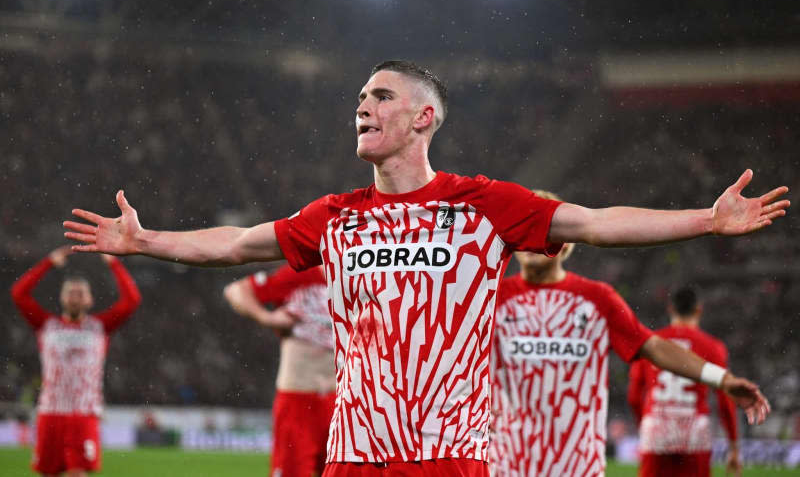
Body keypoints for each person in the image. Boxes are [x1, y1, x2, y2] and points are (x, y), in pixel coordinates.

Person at [63, 60, 788, 476]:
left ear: (423, 118)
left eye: (380, 95)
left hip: (448, 456)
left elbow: (595, 224)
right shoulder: (334, 215)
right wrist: (147, 240)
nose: (362, 105)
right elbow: (233, 245)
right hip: (353, 454)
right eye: (358, 98)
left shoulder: (485, 205)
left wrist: (705, 218)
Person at [488, 191, 767, 477]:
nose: (531, 238)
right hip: (507, 463)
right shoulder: (490, 297)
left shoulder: (597, 298)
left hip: (577, 466)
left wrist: (722, 379)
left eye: (542, 227)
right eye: (524, 227)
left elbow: (653, 346)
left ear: (564, 242)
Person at [10, 246, 142, 477]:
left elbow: (132, 300)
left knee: (77, 473)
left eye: (81, 293)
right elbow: (19, 293)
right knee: (48, 473)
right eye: (70, 292)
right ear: (61, 297)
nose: (75, 297)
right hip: (50, 412)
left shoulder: (101, 326)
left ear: (90, 300)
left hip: (84, 412)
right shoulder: (45, 324)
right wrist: (48, 262)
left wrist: (113, 263)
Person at [223, 264, 335, 477]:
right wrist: (268, 318)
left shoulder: (358, 277)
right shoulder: (299, 275)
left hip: (342, 401)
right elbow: (236, 290)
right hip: (299, 399)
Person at [628, 287, 744, 477]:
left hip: (658, 426)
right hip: (694, 431)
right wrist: (733, 446)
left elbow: (634, 396)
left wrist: (646, 424)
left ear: (671, 309)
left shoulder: (651, 343)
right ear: (698, 310)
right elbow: (725, 401)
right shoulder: (713, 347)